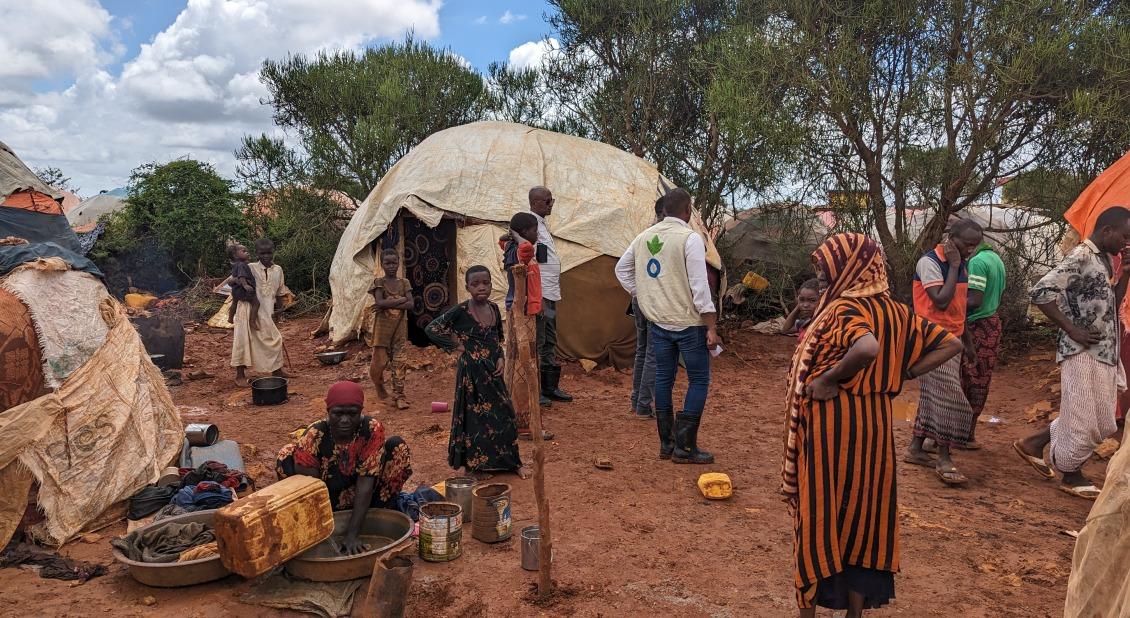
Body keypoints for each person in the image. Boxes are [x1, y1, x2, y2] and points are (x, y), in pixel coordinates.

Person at [782, 233, 962, 616]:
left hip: (832, 427)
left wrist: (830, 379)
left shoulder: (846, 309)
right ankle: (855, 613)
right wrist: (906, 371)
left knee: (821, 514)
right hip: (875, 429)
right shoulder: (896, 312)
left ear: (851, 268)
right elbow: (951, 344)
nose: (825, 281)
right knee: (867, 516)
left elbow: (866, 348)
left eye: (828, 273)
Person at [1014, 206, 1130, 499]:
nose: (1126, 245)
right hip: (1081, 351)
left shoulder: (1105, 260)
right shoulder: (1081, 256)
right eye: (1125, 238)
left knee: (1103, 421)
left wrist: (1126, 273)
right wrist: (1071, 329)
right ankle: (1071, 473)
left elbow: (1110, 308)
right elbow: (1041, 292)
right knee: (1083, 418)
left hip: (1103, 352)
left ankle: (1033, 444)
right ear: (1108, 231)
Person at [615, 188, 720, 464]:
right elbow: (700, 287)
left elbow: (621, 269)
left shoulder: (644, 236)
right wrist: (711, 325)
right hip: (688, 324)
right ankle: (685, 448)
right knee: (698, 379)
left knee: (664, 377)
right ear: (687, 211)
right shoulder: (690, 239)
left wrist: (644, 294)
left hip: (659, 321)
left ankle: (667, 444)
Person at [276, 381, 412, 555]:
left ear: (361, 411)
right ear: (328, 412)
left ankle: (378, 514)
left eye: (352, 414)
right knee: (285, 455)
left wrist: (352, 534)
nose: (345, 420)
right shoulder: (314, 436)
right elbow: (311, 493)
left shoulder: (371, 429)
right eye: (338, 414)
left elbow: (366, 482)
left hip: (364, 495)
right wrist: (324, 535)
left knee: (397, 447)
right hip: (327, 499)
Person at [426, 266, 529, 480]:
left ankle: (511, 462)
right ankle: (474, 467)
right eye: (475, 284)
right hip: (471, 374)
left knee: (507, 414)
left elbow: (497, 337)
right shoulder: (461, 311)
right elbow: (432, 329)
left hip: (493, 370)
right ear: (467, 287)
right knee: (474, 420)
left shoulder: (493, 308)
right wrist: (456, 346)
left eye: (486, 283)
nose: (481, 287)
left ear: (491, 285)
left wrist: (500, 357)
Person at [904, 219, 984, 485]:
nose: (971, 249)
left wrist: (968, 345)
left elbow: (958, 309)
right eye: (967, 243)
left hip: (953, 340)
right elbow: (941, 300)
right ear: (951, 237)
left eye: (975, 244)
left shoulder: (960, 263)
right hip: (931, 340)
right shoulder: (930, 263)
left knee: (933, 396)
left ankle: (916, 449)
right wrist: (953, 265)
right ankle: (944, 457)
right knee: (950, 398)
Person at [500, 212, 553, 440]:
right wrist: (519, 236)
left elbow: (504, 241)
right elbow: (526, 250)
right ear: (523, 232)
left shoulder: (510, 248)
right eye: (533, 230)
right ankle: (525, 425)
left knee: (518, 364)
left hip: (518, 309)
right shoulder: (521, 250)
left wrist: (515, 235)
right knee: (525, 365)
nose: (536, 234)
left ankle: (513, 419)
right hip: (522, 312)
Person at [959, 240, 1006, 449]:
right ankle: (968, 433)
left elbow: (975, 299)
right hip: (992, 323)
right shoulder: (996, 259)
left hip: (976, 327)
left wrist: (949, 304)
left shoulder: (977, 262)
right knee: (980, 380)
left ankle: (958, 434)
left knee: (965, 379)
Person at [528, 186, 573, 404]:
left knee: (549, 338)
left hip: (551, 292)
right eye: (547, 201)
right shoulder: (527, 224)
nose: (551, 204)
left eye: (551, 200)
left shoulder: (542, 224)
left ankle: (549, 387)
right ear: (535, 203)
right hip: (540, 293)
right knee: (539, 339)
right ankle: (534, 390)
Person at [231, 238, 291, 387]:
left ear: (273, 252)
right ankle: (240, 375)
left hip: (267, 311)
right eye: (262, 253)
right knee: (243, 341)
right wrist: (242, 284)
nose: (266, 256)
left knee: (274, 338)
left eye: (268, 253)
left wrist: (280, 309)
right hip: (247, 309)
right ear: (257, 253)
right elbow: (232, 281)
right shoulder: (249, 267)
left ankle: (277, 370)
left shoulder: (278, 270)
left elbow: (279, 291)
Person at [627, 197, 667, 420]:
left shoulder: (642, 237)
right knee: (652, 352)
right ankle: (643, 405)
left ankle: (636, 401)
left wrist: (635, 291)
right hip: (652, 301)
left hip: (640, 300)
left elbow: (623, 268)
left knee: (642, 350)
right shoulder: (663, 238)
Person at [367, 248, 413, 410]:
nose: (391, 266)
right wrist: (400, 300)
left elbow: (411, 304)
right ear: (382, 264)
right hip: (382, 329)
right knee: (379, 362)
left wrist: (388, 302)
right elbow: (379, 302)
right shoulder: (379, 282)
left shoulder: (404, 283)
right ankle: (379, 386)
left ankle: (399, 395)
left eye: (394, 262)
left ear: (399, 263)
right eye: (387, 263)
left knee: (400, 362)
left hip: (399, 329)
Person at [227, 243, 259, 331]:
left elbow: (234, 278)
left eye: (247, 251)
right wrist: (245, 285)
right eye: (244, 251)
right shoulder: (242, 265)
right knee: (256, 303)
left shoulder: (235, 265)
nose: (247, 253)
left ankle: (230, 318)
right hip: (242, 290)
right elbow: (241, 276)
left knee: (234, 303)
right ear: (235, 255)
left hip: (235, 290)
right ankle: (252, 322)